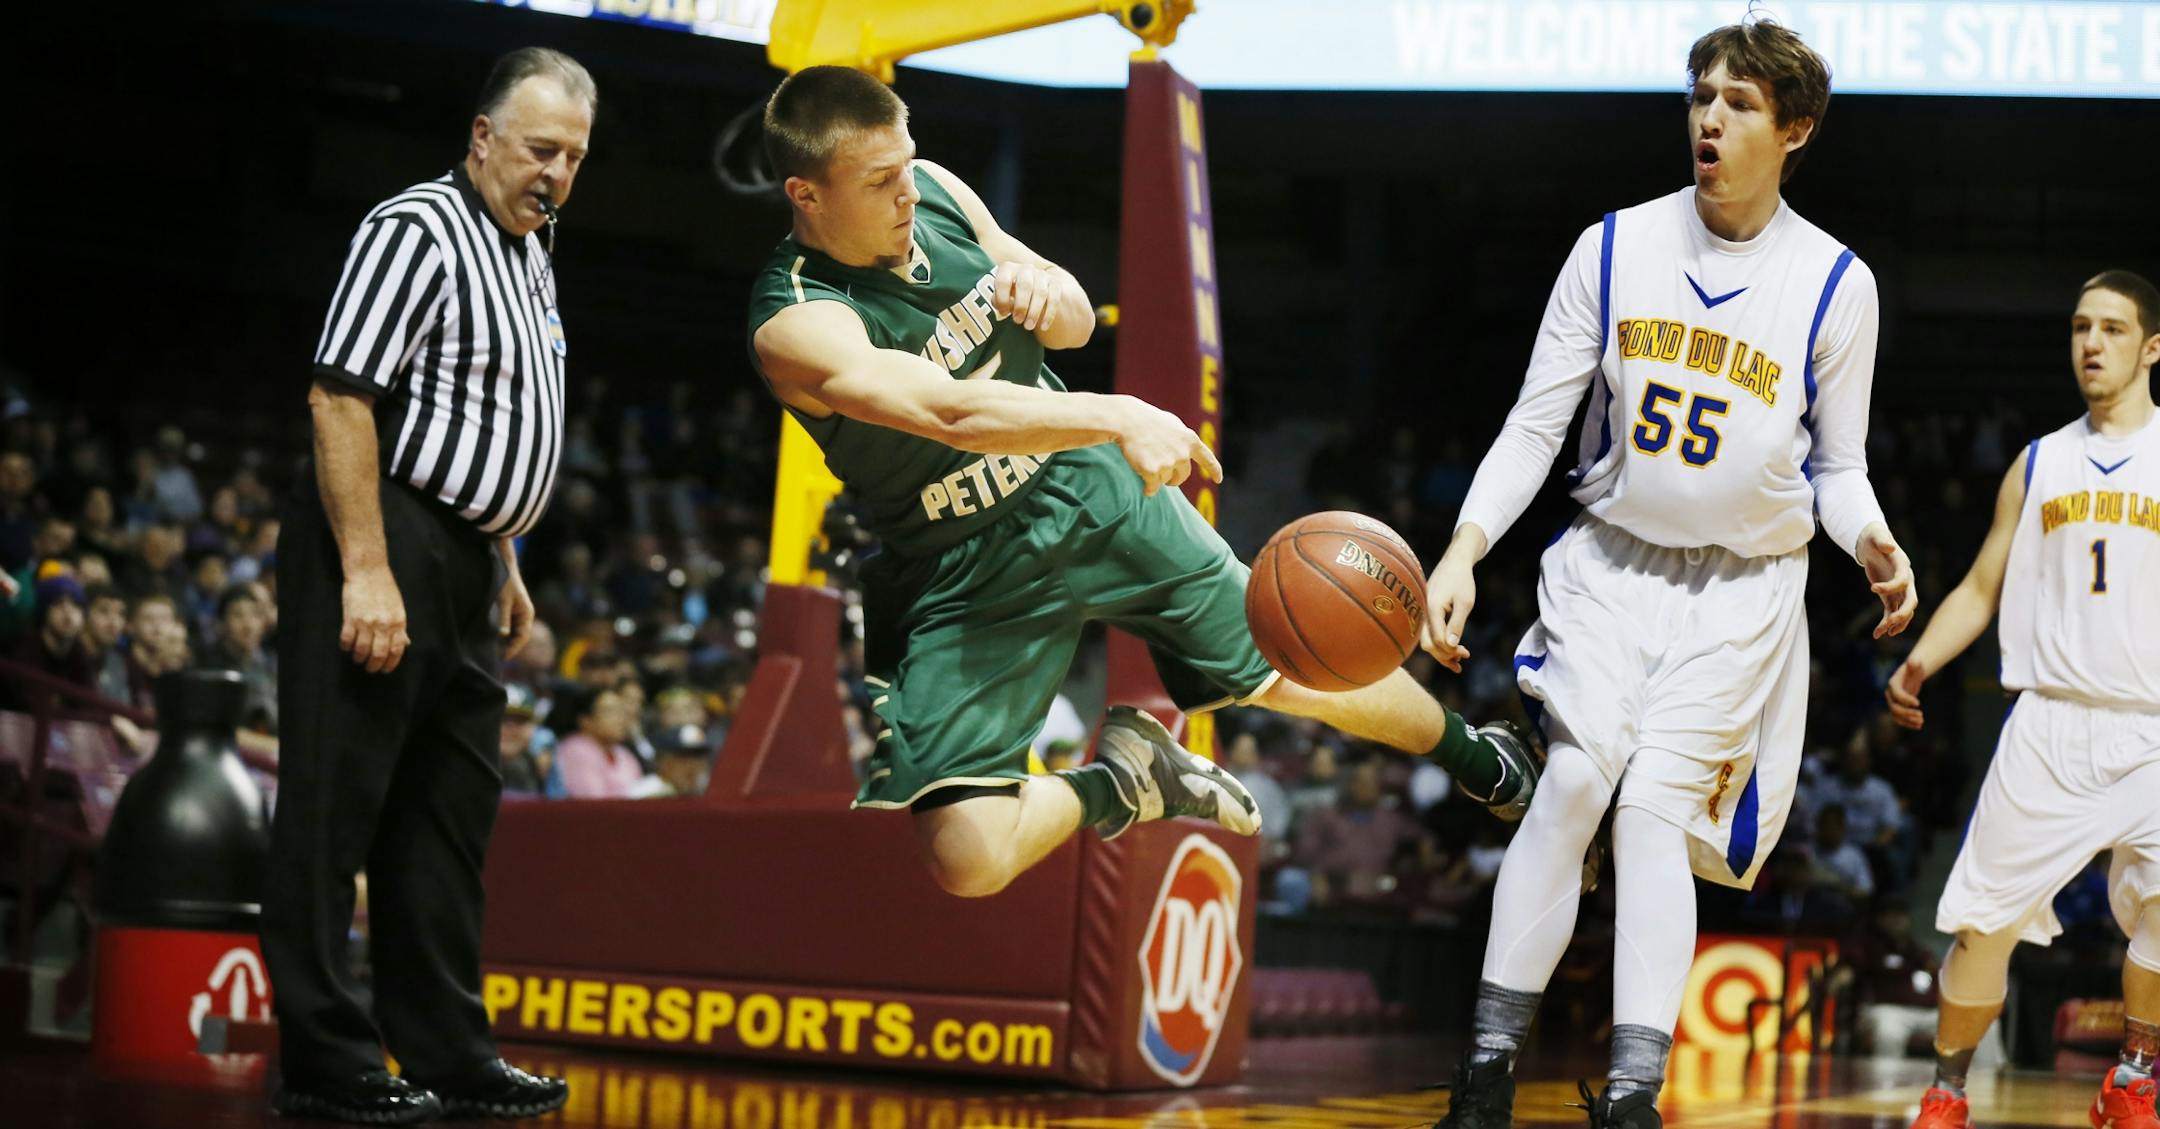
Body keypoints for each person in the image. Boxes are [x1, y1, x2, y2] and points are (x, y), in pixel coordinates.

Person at [746, 66, 1538, 901]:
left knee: (1294, 653)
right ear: (807, 193)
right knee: (967, 859)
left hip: (1082, 485)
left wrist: (1051, 295)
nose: (905, 189)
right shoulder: (795, 321)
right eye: (879, 180)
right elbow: (944, 413)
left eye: (907, 162)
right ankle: (1128, 777)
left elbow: (1077, 316)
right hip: (960, 562)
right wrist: (1116, 412)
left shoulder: (938, 191)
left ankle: (1483, 760)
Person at [1417, 21, 1917, 1129]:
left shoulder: (1837, 284)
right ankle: (1489, 1071)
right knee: (1575, 783)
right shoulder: (1612, 248)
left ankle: (1634, 1092)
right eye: (1701, 95)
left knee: (1651, 815)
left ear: (1794, 130)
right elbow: (1534, 422)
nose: (1708, 117)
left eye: (1740, 103)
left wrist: (1873, 539)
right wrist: (1463, 548)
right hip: (1610, 565)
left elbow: (1839, 467)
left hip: (1742, 592)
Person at [258, 47, 590, 1125]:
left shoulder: (534, 252)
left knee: (447, 820)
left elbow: (489, 417)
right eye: (541, 149)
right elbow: (341, 397)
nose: (556, 173)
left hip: (467, 559)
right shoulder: (416, 229)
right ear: (483, 137)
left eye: (575, 158)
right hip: (384, 535)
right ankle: (322, 1053)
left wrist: (504, 555)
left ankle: (448, 1051)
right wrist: (367, 568)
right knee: (334, 805)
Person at [1888, 271, 2160, 1129]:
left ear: (2151, 347)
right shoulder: (2038, 461)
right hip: (2048, 720)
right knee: (1984, 927)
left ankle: (2135, 1077)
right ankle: (1947, 1089)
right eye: (2081, 325)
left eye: (2114, 328)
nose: (2091, 342)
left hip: (2153, 727)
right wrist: (1920, 660)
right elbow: (1979, 585)